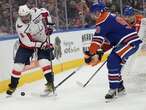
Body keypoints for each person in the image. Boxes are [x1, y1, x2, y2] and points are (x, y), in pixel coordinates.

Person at [84, 2, 142, 99]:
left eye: (94, 13)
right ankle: (120, 88)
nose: (93, 15)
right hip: (127, 42)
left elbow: (97, 39)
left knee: (112, 61)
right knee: (114, 64)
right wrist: (101, 50)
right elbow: (110, 41)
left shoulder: (103, 20)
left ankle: (113, 89)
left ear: (99, 12)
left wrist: (91, 53)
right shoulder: (109, 17)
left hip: (128, 42)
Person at [6, 5, 55, 95]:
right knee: (17, 66)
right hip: (27, 46)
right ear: (19, 16)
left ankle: (50, 83)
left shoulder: (35, 12)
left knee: (44, 62)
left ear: (29, 13)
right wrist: (43, 45)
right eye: (22, 17)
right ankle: (13, 86)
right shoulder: (19, 25)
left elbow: (46, 12)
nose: (25, 18)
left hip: (41, 39)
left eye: (26, 16)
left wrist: (49, 25)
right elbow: (28, 43)